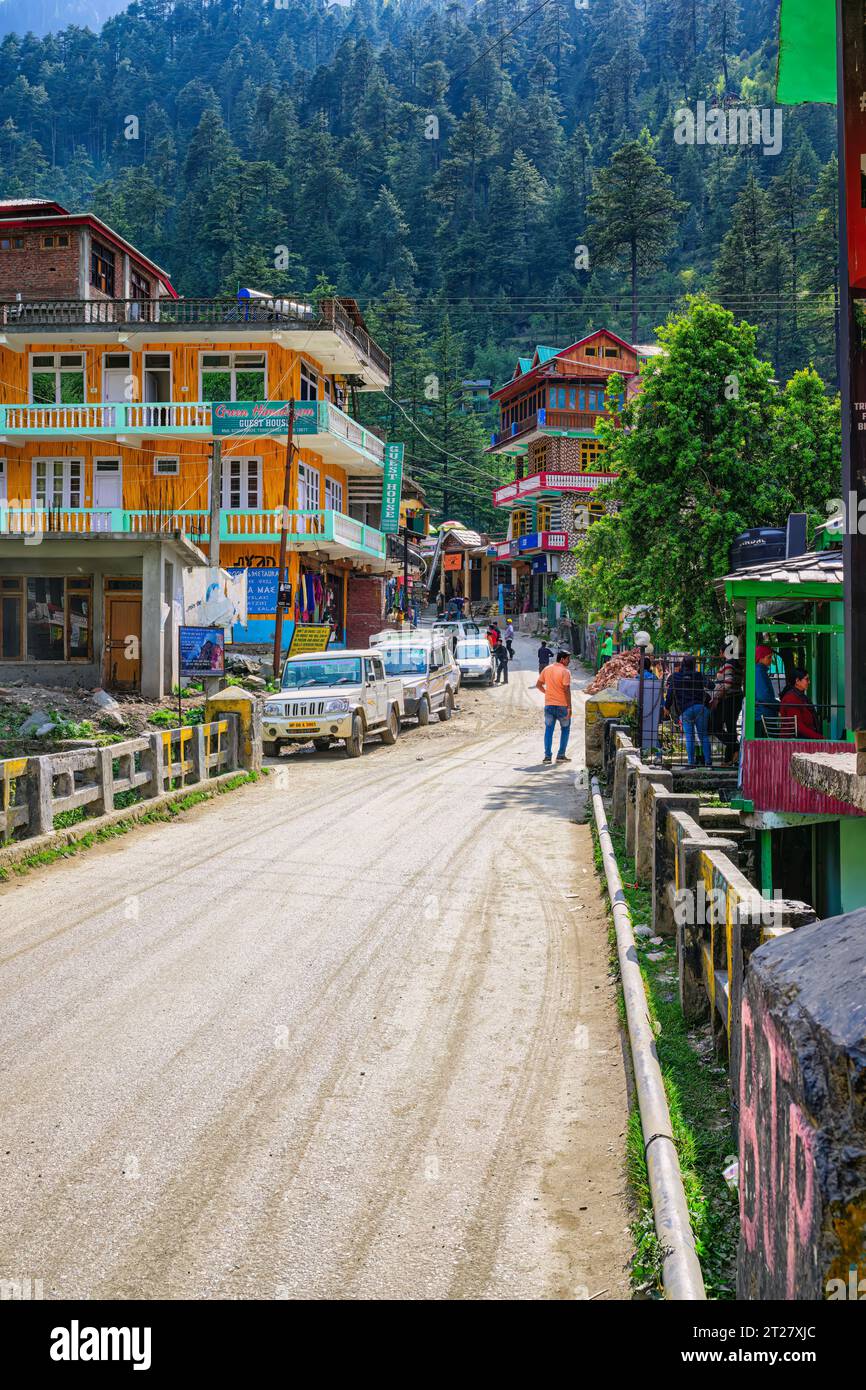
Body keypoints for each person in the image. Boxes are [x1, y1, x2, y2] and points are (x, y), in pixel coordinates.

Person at [664, 654, 712, 767]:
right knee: (703, 736)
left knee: (689, 737)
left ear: (682, 664)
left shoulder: (676, 677)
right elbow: (712, 686)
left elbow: (670, 694)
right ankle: (708, 763)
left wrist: (666, 707)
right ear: (694, 664)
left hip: (685, 710)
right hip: (700, 708)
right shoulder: (699, 675)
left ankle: (691, 763)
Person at [536, 650, 572, 764]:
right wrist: (569, 707)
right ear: (562, 659)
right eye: (568, 659)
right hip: (562, 706)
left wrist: (547, 692)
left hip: (549, 705)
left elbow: (538, 685)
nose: (569, 661)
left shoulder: (547, 669)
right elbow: (566, 690)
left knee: (549, 730)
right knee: (565, 730)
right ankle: (561, 755)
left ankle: (547, 757)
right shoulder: (565, 672)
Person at [709, 646, 743, 765]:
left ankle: (736, 747)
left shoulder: (728, 665)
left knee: (715, 726)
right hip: (737, 698)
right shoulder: (738, 665)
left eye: (721, 651)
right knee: (731, 727)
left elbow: (727, 683)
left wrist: (717, 697)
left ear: (724, 652)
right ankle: (729, 759)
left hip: (728, 699)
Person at [780, 668, 823, 738]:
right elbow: (799, 727)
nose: (809, 682)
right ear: (797, 681)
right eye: (807, 679)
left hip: (804, 738)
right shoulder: (791, 699)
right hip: (794, 742)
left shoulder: (800, 697)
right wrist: (820, 738)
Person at [755, 644, 779, 733]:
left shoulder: (760, 671)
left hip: (764, 714)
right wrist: (779, 706)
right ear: (761, 658)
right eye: (768, 657)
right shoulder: (759, 671)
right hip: (763, 715)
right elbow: (763, 696)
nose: (770, 660)